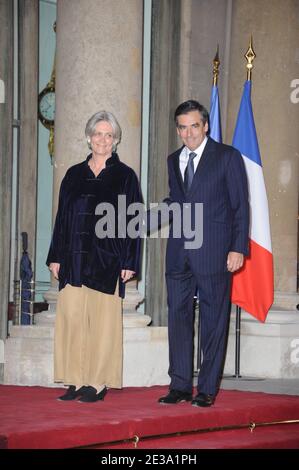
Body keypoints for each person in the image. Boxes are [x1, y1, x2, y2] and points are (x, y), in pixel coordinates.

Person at [158, 100, 249, 407]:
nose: (188, 133)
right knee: (178, 318)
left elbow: (240, 206)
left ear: (205, 126)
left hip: (215, 252)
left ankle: (207, 388)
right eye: (182, 127)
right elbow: (177, 201)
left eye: (194, 126)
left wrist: (238, 247)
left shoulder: (227, 157)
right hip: (179, 253)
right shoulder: (174, 160)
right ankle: (180, 385)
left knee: (213, 320)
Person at [46, 110, 141, 403]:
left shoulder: (125, 176)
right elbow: (62, 216)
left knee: (102, 324)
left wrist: (129, 261)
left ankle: (96, 383)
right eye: (98, 134)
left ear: (115, 140)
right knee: (72, 320)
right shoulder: (74, 174)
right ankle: (74, 380)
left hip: (107, 260)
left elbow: (133, 221)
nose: (102, 139)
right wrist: (55, 256)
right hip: (73, 258)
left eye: (108, 134)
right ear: (89, 137)